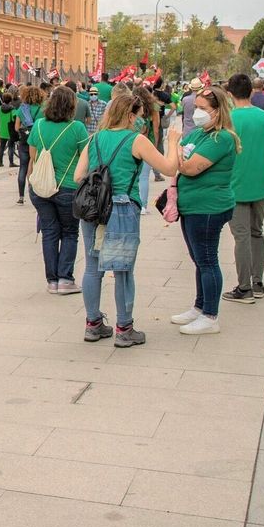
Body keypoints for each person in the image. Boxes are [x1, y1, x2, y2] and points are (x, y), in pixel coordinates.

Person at [72, 92, 180, 346]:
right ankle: (124, 328)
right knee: (122, 270)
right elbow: (169, 168)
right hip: (122, 208)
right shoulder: (137, 140)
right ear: (131, 116)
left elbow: (78, 176)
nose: (141, 120)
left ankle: (93, 324)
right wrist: (173, 143)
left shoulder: (95, 139)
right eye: (139, 115)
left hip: (93, 209)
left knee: (92, 267)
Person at [170, 86, 239, 335]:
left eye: (203, 108)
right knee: (199, 259)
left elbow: (189, 167)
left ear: (218, 111)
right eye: (196, 107)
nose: (196, 112)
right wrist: (178, 153)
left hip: (208, 207)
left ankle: (210, 316)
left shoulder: (221, 138)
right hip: (191, 206)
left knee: (207, 260)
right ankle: (200, 306)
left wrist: (174, 147)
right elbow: (178, 159)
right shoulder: (200, 133)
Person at [223, 75, 264, 304]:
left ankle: (244, 287)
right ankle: (258, 282)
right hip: (262, 185)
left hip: (235, 185)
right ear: (251, 92)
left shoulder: (228, 120)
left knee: (241, 237)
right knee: (256, 232)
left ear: (230, 94)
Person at [29, 85, 88, 294]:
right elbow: (85, 158)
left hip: (40, 188)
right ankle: (65, 279)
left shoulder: (38, 125)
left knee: (49, 232)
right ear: (71, 106)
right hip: (68, 187)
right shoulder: (77, 128)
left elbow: (33, 156)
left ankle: (52, 281)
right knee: (70, 232)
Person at [14, 84, 43, 203]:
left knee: (23, 167)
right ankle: (34, 192)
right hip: (38, 141)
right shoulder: (43, 109)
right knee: (36, 167)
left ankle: (21, 196)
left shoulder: (22, 109)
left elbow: (16, 128)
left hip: (24, 141)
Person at [0, 92, 18, 167]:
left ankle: (0, 162)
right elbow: (14, 119)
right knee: (11, 146)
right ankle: (11, 163)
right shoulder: (12, 109)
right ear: (11, 100)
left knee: (2, 146)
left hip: (2, 129)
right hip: (10, 130)